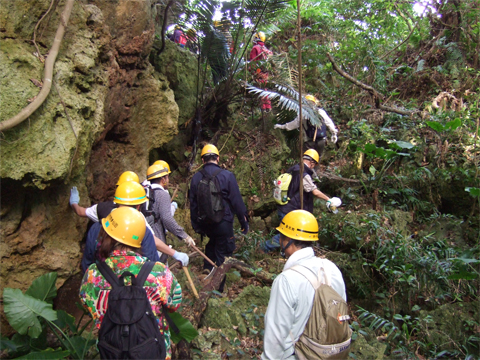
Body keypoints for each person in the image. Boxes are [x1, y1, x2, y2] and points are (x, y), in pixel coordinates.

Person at [79, 207, 182, 360]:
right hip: (152, 351)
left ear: (106, 235)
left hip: (112, 352)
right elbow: (174, 304)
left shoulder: (93, 275)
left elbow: (87, 306)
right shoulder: (159, 273)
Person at [261, 210, 347, 360]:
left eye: (281, 236)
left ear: (288, 240)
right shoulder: (331, 268)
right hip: (332, 353)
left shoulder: (286, 280)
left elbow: (276, 334)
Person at [70, 177, 188, 271]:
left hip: (104, 289)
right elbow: (154, 266)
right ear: (138, 206)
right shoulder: (141, 225)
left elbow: (87, 263)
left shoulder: (98, 222)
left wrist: (74, 203)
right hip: (134, 290)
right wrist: (174, 253)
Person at [189, 144, 249, 291]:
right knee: (223, 253)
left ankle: (207, 267)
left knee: (213, 242)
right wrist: (244, 221)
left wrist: (196, 226)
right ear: (217, 158)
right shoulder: (227, 176)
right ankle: (218, 290)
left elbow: (193, 204)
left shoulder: (196, 178)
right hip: (224, 223)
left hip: (206, 224)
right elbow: (237, 202)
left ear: (203, 160)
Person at [263, 149, 339, 252]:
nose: (314, 167)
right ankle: (264, 248)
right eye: (314, 165)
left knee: (287, 234)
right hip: (290, 210)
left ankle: (279, 251)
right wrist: (328, 200)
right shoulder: (303, 173)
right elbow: (314, 191)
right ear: (311, 163)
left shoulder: (294, 168)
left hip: (285, 207)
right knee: (287, 236)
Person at [274, 94, 338, 161]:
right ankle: (314, 171)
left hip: (309, 141)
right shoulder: (321, 112)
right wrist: (334, 134)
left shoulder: (303, 113)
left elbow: (294, 124)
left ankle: (307, 171)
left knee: (306, 159)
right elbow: (329, 123)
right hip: (321, 140)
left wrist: (282, 126)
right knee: (318, 158)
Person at [146, 163, 196, 249]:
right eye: (167, 177)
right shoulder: (162, 194)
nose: (168, 180)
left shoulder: (144, 191)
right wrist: (184, 235)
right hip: (156, 236)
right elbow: (167, 218)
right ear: (163, 180)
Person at [250, 31, 273, 112]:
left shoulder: (255, 48)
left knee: (261, 91)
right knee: (265, 89)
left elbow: (253, 62)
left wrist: (253, 73)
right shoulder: (266, 50)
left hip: (259, 73)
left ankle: (263, 108)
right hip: (266, 74)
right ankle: (268, 107)